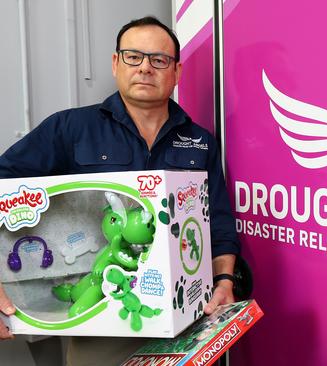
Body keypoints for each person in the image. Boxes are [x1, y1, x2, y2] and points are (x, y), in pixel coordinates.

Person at [0, 16, 239, 365]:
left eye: (159, 60)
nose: (145, 68)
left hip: (188, 317)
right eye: (133, 56)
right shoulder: (70, 129)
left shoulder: (200, 141)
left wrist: (224, 280)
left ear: (177, 72)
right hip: (103, 320)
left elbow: (216, 219)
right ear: (116, 63)